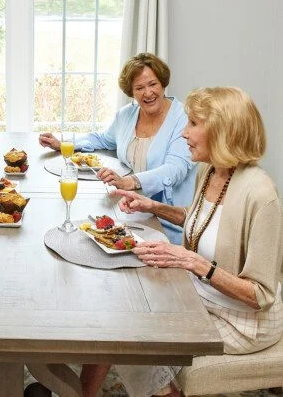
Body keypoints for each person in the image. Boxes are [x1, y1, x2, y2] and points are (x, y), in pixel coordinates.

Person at [80, 87, 283, 397]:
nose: (184, 133)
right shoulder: (212, 170)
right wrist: (153, 206)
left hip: (244, 321)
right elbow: (203, 218)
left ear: (222, 130)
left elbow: (261, 295)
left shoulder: (260, 194)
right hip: (204, 296)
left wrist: (193, 262)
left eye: (193, 124)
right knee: (121, 306)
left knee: (130, 330)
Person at [39, 53, 196, 244]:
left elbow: (175, 169)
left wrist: (130, 181)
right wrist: (63, 144)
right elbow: (103, 139)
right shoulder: (127, 115)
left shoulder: (183, 118)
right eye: (139, 88)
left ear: (163, 83)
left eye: (153, 84)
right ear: (131, 91)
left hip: (167, 221)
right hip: (130, 210)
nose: (148, 93)